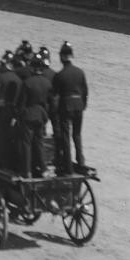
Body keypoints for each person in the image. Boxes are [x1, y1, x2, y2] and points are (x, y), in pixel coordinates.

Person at [52, 42, 88, 175]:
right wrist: (82, 105)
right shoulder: (80, 72)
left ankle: (68, 166)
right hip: (79, 106)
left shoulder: (59, 75)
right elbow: (85, 92)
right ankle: (81, 162)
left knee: (65, 137)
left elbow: (54, 96)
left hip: (66, 107)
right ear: (71, 56)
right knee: (77, 135)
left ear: (61, 57)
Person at [17, 55, 53, 177]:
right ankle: (43, 168)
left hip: (29, 115)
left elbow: (21, 103)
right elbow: (50, 102)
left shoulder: (27, 82)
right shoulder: (47, 83)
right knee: (39, 143)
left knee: (26, 143)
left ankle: (27, 171)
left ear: (32, 68)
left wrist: (19, 116)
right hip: (41, 115)